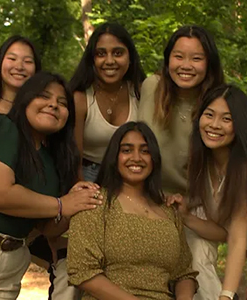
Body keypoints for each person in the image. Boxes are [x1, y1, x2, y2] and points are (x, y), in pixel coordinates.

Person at [0, 71, 102, 300]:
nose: (53, 105)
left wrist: (76, 203)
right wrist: (62, 204)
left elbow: (47, 227)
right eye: (44, 96)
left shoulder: (53, 162)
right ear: (25, 100)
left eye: (62, 103)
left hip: (7, 267)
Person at [138, 25, 224, 299]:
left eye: (196, 58)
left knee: (197, 265)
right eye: (179, 56)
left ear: (208, 63)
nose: (186, 66)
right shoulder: (152, 87)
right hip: (146, 198)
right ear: (168, 59)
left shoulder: (218, 103)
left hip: (195, 205)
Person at [67, 121, 198, 300]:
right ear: (115, 156)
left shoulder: (168, 210)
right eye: (127, 150)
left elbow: (184, 273)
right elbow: (82, 271)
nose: (136, 158)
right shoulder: (94, 201)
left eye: (145, 151)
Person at [168, 84, 247, 300]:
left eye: (226, 119)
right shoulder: (202, 159)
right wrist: (186, 215)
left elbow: (237, 238)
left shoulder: (244, 170)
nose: (214, 125)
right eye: (209, 115)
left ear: (239, 124)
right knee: (193, 247)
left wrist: (226, 295)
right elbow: (223, 233)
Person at [69, 22, 146, 182]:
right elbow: (74, 158)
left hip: (133, 174)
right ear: (92, 59)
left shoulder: (142, 91)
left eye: (118, 53)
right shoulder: (80, 97)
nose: (109, 61)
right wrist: (81, 187)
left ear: (130, 57)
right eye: (101, 54)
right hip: (88, 173)